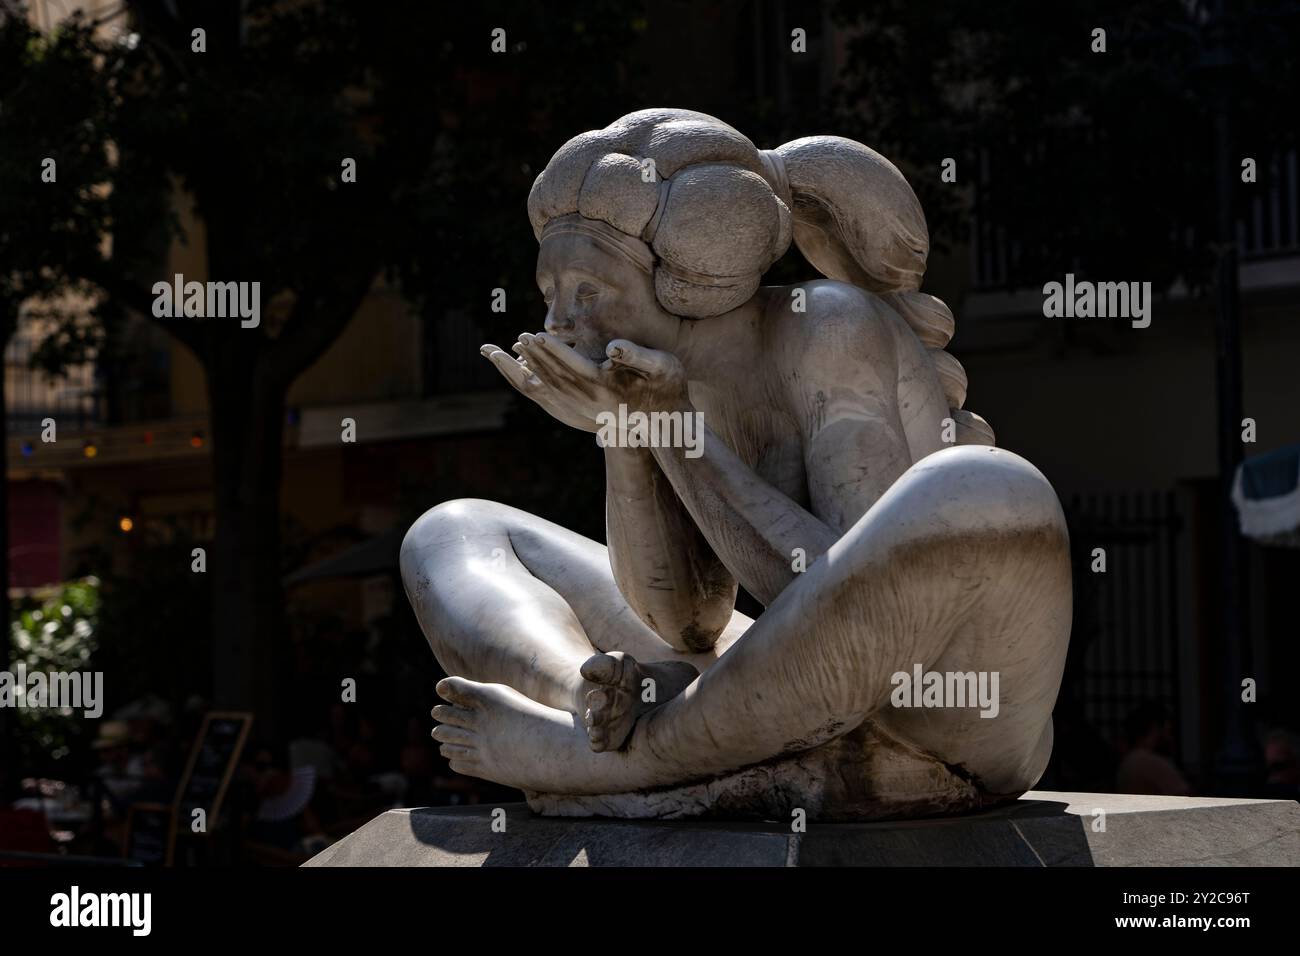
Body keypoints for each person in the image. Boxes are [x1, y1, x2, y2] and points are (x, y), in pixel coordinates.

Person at [400, 109, 1072, 815]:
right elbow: (686, 624)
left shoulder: (828, 328)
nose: (558, 325)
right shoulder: (662, 381)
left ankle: (588, 764)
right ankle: (586, 707)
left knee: (985, 488)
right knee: (456, 529)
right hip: (774, 697)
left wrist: (675, 430)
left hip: (938, 715)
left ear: (687, 287)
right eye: (551, 296)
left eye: (589, 294)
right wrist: (627, 435)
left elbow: (850, 608)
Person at [1115, 703, 1193, 796]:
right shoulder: (1151, 763)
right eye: (1168, 730)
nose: (1170, 737)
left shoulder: (1129, 760)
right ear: (1155, 728)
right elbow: (1186, 797)